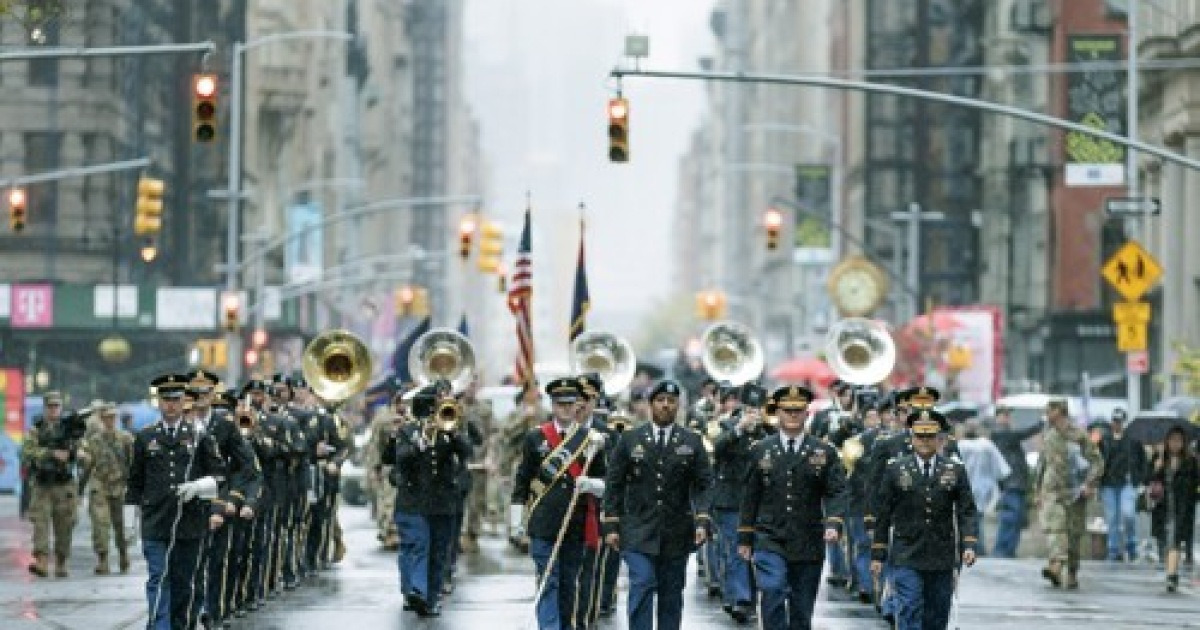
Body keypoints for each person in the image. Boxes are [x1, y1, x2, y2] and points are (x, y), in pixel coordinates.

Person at [603, 380, 713, 630]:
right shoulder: (630, 439)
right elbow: (614, 483)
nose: (666, 405)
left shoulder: (692, 441)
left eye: (671, 401)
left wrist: (702, 519)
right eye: (660, 400)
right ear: (650, 404)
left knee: (671, 595)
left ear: (678, 406)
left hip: (676, 532)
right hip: (638, 530)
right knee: (641, 583)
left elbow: (705, 484)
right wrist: (611, 524)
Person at [738, 385, 848, 630]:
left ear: (807, 413)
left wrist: (833, 522)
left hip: (807, 539)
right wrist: (745, 537)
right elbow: (750, 495)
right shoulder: (760, 450)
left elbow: (837, 491)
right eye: (787, 410)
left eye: (798, 410)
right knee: (773, 589)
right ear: (778, 412)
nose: (792, 415)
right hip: (770, 536)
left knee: (801, 608)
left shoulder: (824, 451)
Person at [127, 374, 226, 630]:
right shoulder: (145, 437)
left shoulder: (199, 436)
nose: (170, 405)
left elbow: (219, 476)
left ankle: (181, 624)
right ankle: (159, 626)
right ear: (158, 402)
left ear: (184, 402)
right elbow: (135, 481)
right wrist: (130, 522)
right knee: (159, 578)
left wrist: (199, 487)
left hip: (189, 523)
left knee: (184, 582)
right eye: (165, 399)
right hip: (156, 521)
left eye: (176, 399)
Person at [511, 378, 607, 630]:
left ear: (578, 405)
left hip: (575, 523)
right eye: (559, 403)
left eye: (570, 403)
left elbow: (606, 481)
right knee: (548, 579)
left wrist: (591, 484)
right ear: (552, 405)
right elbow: (522, 481)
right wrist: (515, 523)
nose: (565, 408)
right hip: (544, 523)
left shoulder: (591, 440)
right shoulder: (536, 438)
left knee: (568, 583)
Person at [871, 409, 978, 630]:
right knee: (909, 607)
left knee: (937, 614)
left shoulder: (954, 469)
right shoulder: (896, 469)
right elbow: (883, 513)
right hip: (906, 553)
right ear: (911, 438)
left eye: (930, 436)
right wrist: (878, 554)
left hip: (941, 554)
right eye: (920, 436)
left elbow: (966, 510)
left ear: (939, 439)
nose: (925, 442)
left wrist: (968, 544)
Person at [384, 384, 473, 617]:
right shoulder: (408, 431)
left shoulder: (449, 430)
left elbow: (467, 451)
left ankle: (431, 598)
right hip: (414, 500)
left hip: (443, 501)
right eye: (433, 407)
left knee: (439, 551)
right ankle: (416, 591)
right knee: (418, 544)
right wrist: (422, 440)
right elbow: (400, 458)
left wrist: (453, 432)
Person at [711, 383, 770, 622]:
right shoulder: (726, 425)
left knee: (754, 551)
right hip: (730, 499)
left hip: (757, 501)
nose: (752, 413)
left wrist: (760, 431)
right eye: (748, 408)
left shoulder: (766, 432)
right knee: (735, 550)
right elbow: (717, 449)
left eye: (756, 408)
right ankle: (741, 599)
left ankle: (743, 597)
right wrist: (739, 429)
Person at [1033, 397, 1103, 589]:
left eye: (1050, 410)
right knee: (1056, 529)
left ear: (1060, 411)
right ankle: (1055, 565)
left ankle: (1071, 571)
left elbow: (1096, 461)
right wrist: (1037, 491)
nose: (1046, 413)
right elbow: (1042, 464)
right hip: (1053, 491)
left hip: (1076, 492)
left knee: (1073, 535)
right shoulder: (1049, 435)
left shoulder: (1080, 436)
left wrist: (1090, 484)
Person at [22, 390, 85, 578]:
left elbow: (83, 450)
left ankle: (61, 561)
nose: (53, 410)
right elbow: (27, 452)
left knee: (65, 524)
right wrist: (51, 453)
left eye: (56, 406)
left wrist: (76, 454)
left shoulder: (70, 429)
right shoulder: (36, 430)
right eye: (50, 406)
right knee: (40, 523)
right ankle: (41, 561)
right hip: (42, 485)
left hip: (64, 484)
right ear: (45, 408)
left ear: (61, 407)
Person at [79, 401, 134, 575]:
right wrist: (79, 489)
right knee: (100, 524)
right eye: (107, 418)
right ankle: (102, 559)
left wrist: (136, 487)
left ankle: (123, 554)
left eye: (113, 417)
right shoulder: (93, 441)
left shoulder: (126, 438)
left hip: (120, 486)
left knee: (123, 525)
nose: (110, 421)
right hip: (100, 485)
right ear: (102, 419)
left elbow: (134, 463)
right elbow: (87, 465)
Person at [1147, 426, 1198, 592]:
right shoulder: (1160, 457)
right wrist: (1157, 466)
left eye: (1179, 440)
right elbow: (1147, 479)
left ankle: (1171, 575)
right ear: (1167, 441)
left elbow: (1196, 483)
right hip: (1163, 507)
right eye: (1172, 440)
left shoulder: (1190, 460)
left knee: (1174, 541)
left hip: (1182, 508)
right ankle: (1172, 573)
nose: (1175, 444)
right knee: (1166, 543)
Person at [989, 405, 1043, 558]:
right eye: (1004, 415)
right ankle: (1001, 551)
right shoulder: (1000, 433)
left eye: (1008, 415)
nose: (1008, 418)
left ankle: (1009, 551)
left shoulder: (1006, 433)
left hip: (1016, 483)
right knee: (1010, 518)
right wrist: (1041, 424)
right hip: (1010, 483)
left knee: (1016, 519)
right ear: (997, 417)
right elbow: (1023, 433)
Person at [1098, 408, 1147, 562]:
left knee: (1128, 514)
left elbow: (1142, 460)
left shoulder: (1133, 439)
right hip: (1108, 483)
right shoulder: (1104, 439)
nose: (1116, 424)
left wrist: (1140, 479)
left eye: (1119, 421)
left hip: (1127, 482)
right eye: (1114, 421)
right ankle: (1113, 550)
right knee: (1112, 518)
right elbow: (1098, 460)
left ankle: (1131, 546)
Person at [956, 420, 1011, 555]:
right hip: (985, 486)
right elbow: (1001, 468)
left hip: (965, 485)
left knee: (969, 517)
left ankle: (974, 547)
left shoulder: (960, 445)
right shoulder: (987, 445)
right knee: (978, 516)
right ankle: (978, 547)